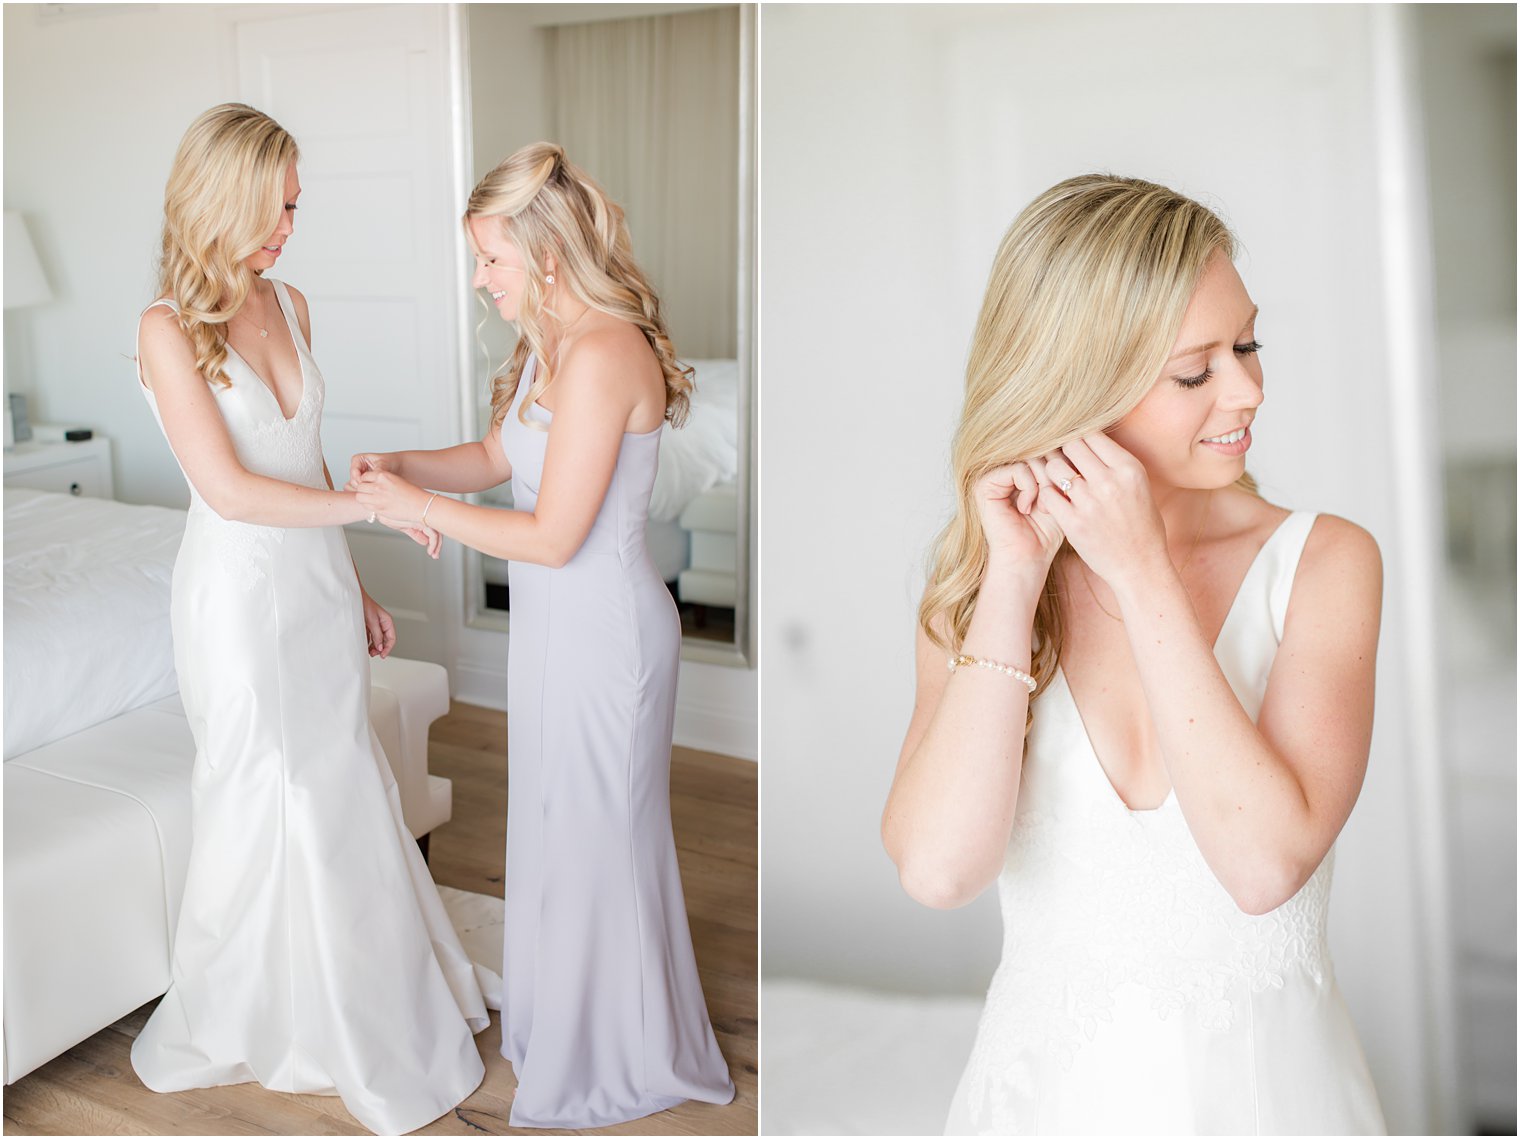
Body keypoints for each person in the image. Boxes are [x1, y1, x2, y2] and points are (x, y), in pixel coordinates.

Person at [882, 175, 1387, 1135]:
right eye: (1196, 371)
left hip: (1265, 1098)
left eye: (1247, 344)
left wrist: (1144, 572)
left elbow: (1261, 867)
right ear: (1080, 386)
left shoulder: (1325, 562)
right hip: (1037, 1101)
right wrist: (1013, 582)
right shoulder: (977, 593)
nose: (1250, 388)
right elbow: (940, 872)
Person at [350, 142, 735, 1129]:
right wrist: (408, 467)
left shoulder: (607, 351)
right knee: (559, 830)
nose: (481, 281)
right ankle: (567, 1022)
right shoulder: (547, 344)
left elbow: (555, 534)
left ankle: (615, 1051)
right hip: (554, 631)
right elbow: (494, 454)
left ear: (544, 253)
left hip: (604, 632)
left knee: (600, 837)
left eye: (492, 261)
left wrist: (411, 506)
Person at [131, 103, 488, 1135]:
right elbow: (233, 490)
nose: (288, 226)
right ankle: (255, 1008)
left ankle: (358, 998)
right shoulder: (166, 328)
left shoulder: (290, 301)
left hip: (315, 591)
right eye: (272, 206)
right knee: (265, 789)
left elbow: (303, 461)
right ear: (220, 197)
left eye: (294, 205)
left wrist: (357, 577)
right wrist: (375, 509)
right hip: (238, 599)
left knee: (337, 782)